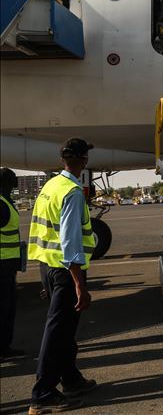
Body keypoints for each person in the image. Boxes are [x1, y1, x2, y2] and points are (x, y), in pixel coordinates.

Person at [27, 138, 99, 414]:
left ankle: (70, 379)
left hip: (48, 266)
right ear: (83, 160)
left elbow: (43, 231)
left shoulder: (50, 185)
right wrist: (80, 284)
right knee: (57, 331)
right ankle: (42, 394)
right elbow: (70, 242)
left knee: (65, 329)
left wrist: (46, 276)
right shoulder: (72, 192)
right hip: (65, 270)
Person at [1, 167, 24, 360]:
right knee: (3, 308)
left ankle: (5, 347)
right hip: (2, 264)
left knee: (8, 308)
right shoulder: (1, 204)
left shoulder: (7, 202)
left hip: (8, 264)